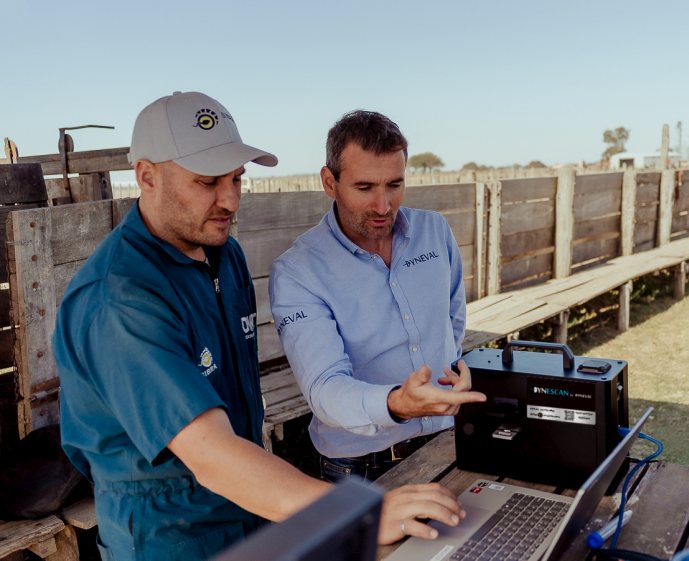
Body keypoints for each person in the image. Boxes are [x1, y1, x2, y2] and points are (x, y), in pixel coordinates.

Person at [53, 92, 467, 561]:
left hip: (251, 507)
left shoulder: (222, 254)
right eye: (207, 181)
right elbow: (210, 455)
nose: (229, 199)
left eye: (237, 178)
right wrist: (358, 512)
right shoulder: (120, 298)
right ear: (146, 177)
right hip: (167, 533)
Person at [269, 110, 486, 483]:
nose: (383, 206)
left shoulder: (434, 230)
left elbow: (452, 318)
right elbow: (325, 388)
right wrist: (397, 405)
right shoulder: (297, 271)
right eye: (365, 188)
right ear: (329, 181)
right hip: (362, 466)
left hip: (449, 438)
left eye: (394, 184)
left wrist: (448, 370)